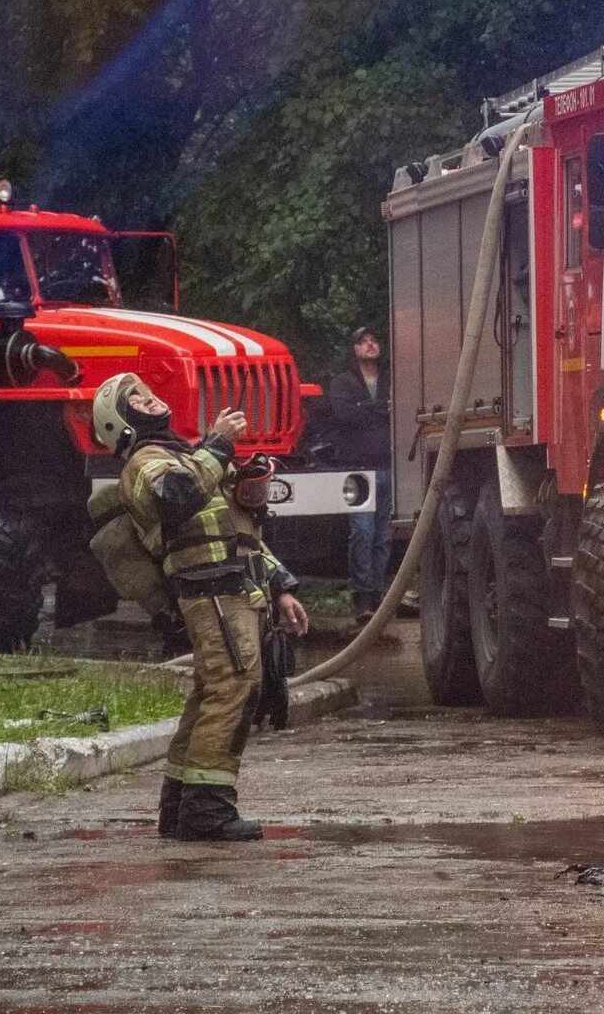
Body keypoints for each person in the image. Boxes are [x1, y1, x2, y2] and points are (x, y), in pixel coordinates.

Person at [92, 372, 309, 841]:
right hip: (209, 591)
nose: (150, 400)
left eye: (150, 393)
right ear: (120, 423)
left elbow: (240, 536)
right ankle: (208, 812)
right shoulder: (145, 462)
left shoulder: (189, 458)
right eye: (137, 399)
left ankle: (179, 807)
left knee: (213, 692)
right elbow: (176, 501)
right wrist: (219, 444)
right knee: (233, 687)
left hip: (232, 588)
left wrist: (281, 587)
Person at [328, 327, 392, 624]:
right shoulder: (343, 382)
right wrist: (378, 411)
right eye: (364, 341)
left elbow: (397, 411)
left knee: (384, 534)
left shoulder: (392, 378)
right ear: (355, 349)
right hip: (357, 467)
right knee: (361, 532)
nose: (370, 344)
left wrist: (364, 410)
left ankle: (378, 597)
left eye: (374, 340)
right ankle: (361, 598)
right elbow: (342, 416)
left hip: (389, 465)